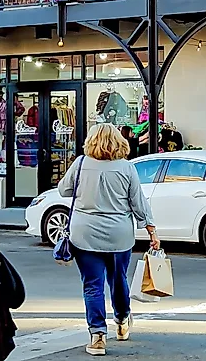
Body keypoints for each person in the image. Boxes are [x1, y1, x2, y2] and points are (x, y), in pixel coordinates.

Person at [58, 122, 160, 357]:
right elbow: (138, 202)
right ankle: (122, 320)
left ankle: (97, 335)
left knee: (92, 285)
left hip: (85, 234)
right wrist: (152, 231)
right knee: (118, 279)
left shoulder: (80, 163)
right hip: (119, 234)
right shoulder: (126, 167)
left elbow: (64, 190)